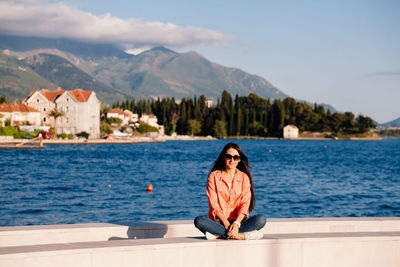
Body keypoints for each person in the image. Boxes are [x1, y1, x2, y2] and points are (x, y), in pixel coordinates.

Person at [194, 143, 266, 240]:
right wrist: (227, 225)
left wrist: (236, 224)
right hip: (219, 222)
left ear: (239, 159)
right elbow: (214, 204)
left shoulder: (244, 178)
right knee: (199, 221)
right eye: (228, 156)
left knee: (261, 219)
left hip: (238, 223)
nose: (232, 160)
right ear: (224, 157)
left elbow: (245, 204)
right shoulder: (214, 176)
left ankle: (220, 234)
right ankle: (241, 236)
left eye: (235, 157)